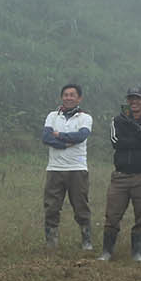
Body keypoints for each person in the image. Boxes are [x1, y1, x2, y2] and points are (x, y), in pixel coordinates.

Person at [98, 87, 141, 263]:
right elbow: (116, 142)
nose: (134, 102)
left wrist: (133, 127)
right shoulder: (117, 120)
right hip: (121, 176)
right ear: (127, 100)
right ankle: (107, 251)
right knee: (112, 215)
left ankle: (138, 252)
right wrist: (138, 138)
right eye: (131, 98)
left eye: (138, 98)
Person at [40, 82, 93, 251]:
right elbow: (46, 137)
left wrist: (59, 135)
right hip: (55, 168)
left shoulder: (85, 118)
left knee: (81, 206)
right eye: (66, 95)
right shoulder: (52, 116)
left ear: (79, 98)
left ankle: (86, 241)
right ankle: (51, 243)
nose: (68, 98)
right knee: (51, 207)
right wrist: (64, 144)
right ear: (61, 97)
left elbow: (81, 136)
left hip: (77, 168)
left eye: (72, 95)